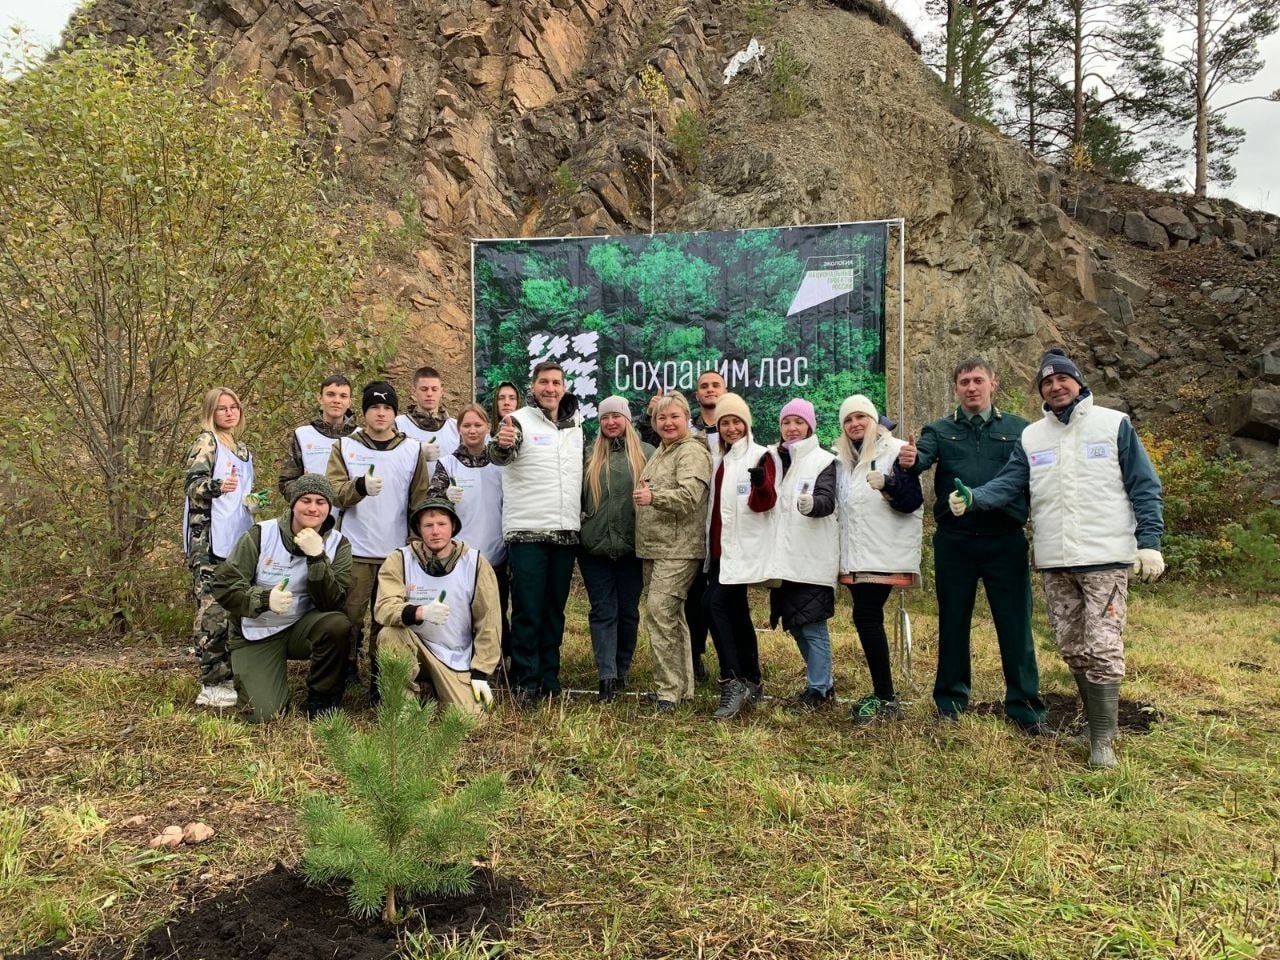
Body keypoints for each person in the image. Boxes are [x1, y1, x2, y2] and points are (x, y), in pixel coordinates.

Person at [949, 348, 1165, 767]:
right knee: (1071, 646)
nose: (1055, 386)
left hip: (1105, 557)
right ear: (1041, 391)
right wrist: (974, 498)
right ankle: (1095, 722)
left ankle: (1102, 739)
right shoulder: (1033, 437)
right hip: (1055, 560)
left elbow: (1144, 486)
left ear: (1079, 383)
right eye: (1047, 382)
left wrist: (1150, 541)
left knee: (1102, 646)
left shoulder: (1113, 425)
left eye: (1062, 379)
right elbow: (1009, 484)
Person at [898, 357, 1048, 733]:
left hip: (1005, 541)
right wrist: (910, 460)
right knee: (952, 624)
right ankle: (950, 703)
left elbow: (1037, 480)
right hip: (956, 543)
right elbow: (920, 460)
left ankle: (1025, 708)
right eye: (964, 381)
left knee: (1015, 626)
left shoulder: (1020, 430)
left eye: (978, 380)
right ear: (956, 388)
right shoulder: (939, 429)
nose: (971, 387)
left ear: (993, 384)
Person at [209, 475, 352, 722]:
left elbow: (333, 603)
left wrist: (317, 558)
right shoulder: (261, 534)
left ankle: (321, 699)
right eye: (305, 500)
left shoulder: (338, 544)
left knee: (337, 624)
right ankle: (254, 677)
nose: (312, 508)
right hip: (256, 631)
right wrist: (263, 599)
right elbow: (224, 586)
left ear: (329, 507)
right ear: (293, 504)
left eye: (320, 502)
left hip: (300, 628)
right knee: (264, 715)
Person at [325, 381, 433, 700]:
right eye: (375, 407)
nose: (381, 413)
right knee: (349, 619)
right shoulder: (345, 447)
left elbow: (420, 499)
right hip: (354, 550)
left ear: (395, 413)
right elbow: (334, 493)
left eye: (387, 408)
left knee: (386, 621)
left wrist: (415, 543)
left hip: (394, 552)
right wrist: (358, 487)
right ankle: (343, 676)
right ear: (364, 412)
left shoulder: (411, 449)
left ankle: (379, 681)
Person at [487, 361, 584, 707]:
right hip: (527, 532)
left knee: (554, 611)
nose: (550, 388)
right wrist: (501, 442)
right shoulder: (518, 421)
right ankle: (525, 682)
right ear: (534, 386)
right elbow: (500, 453)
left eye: (556, 382)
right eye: (544, 382)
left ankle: (549, 678)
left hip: (564, 532)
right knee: (528, 610)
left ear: (564, 386)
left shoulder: (576, 426)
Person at [834, 395, 923, 724]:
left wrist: (889, 484)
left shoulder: (897, 450)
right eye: (848, 419)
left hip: (883, 553)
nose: (855, 423)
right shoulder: (843, 458)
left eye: (861, 417)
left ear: (874, 420)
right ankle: (884, 694)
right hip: (856, 555)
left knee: (866, 617)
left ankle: (886, 698)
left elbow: (912, 500)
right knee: (865, 618)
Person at [748, 398, 839, 708]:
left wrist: (813, 504)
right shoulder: (771, 456)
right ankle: (821, 682)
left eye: (798, 422)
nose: (792, 428)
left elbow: (827, 499)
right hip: (782, 560)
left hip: (811, 558)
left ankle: (820, 689)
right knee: (796, 623)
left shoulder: (824, 460)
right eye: (786, 422)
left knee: (813, 625)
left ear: (810, 426)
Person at [374, 497, 501, 716]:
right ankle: (404, 705)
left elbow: (489, 621)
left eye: (441, 524)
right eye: (428, 525)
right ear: (419, 529)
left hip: (454, 656)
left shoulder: (475, 562)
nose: (435, 531)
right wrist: (418, 612)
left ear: (453, 526)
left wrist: (481, 671)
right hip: (413, 646)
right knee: (389, 634)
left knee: (469, 720)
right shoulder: (399, 559)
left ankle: (437, 691)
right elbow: (384, 607)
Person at [633, 392, 712, 711]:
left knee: (660, 612)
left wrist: (654, 498)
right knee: (670, 617)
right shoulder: (663, 452)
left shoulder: (691, 451)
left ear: (686, 419)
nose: (667, 423)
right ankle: (681, 688)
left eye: (674, 416)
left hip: (679, 548)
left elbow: (690, 496)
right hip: (655, 548)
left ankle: (667, 692)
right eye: (661, 418)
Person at [184, 386, 260, 708]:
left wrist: (253, 503)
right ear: (211, 413)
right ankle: (211, 682)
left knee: (234, 607)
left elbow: (243, 493)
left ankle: (230, 675)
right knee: (212, 608)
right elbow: (192, 486)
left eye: (234, 408)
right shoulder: (207, 442)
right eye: (222, 409)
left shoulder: (243, 450)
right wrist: (216, 486)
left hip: (237, 539)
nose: (230, 413)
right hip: (209, 539)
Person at [579, 396, 654, 701]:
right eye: (605, 418)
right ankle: (606, 675)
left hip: (632, 549)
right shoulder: (588, 456)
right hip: (594, 550)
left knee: (627, 612)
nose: (611, 422)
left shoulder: (647, 455)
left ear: (627, 419)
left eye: (616, 416)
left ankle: (622, 669)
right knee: (602, 611)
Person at [702, 393, 770, 719]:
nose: (731, 428)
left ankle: (732, 680)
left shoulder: (761, 456)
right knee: (737, 611)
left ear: (747, 423)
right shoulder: (719, 461)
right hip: (718, 550)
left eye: (736, 422)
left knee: (713, 605)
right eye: (725, 423)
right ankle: (753, 679)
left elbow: (765, 503)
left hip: (743, 550)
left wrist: (761, 486)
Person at [436, 403, 510, 668]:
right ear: (458, 429)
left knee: (497, 612)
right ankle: (463, 663)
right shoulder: (447, 464)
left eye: (478, 425)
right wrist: (443, 497)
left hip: (498, 553)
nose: (472, 430)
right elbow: (432, 508)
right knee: (465, 613)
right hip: (462, 556)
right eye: (466, 425)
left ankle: (498, 662)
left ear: (488, 427)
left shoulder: (502, 463)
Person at [686, 369, 725, 682]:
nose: (710, 390)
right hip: (694, 524)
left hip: (726, 526)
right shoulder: (686, 430)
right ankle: (696, 656)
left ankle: (733, 663)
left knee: (723, 601)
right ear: (697, 395)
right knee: (694, 598)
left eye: (715, 385)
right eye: (704, 387)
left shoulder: (735, 427)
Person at [277, 374, 356, 501]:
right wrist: (304, 495)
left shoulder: (360, 437)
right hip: (312, 514)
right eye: (330, 394)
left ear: (349, 402)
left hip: (351, 515)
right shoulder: (302, 435)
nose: (337, 400)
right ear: (320, 398)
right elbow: (287, 481)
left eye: (343, 396)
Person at [396, 365, 458, 463]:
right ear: (414, 391)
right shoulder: (398, 425)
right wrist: (417, 453)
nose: (429, 394)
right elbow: (387, 457)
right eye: (424, 389)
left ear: (441, 392)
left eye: (434, 389)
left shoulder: (457, 428)